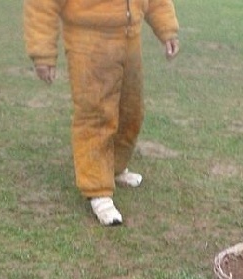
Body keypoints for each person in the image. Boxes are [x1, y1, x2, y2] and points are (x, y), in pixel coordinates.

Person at [24, 0, 180, 226]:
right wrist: (42, 53)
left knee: (131, 111)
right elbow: (41, 4)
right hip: (88, 39)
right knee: (95, 114)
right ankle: (97, 189)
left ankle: (115, 168)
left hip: (129, 37)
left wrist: (167, 30)